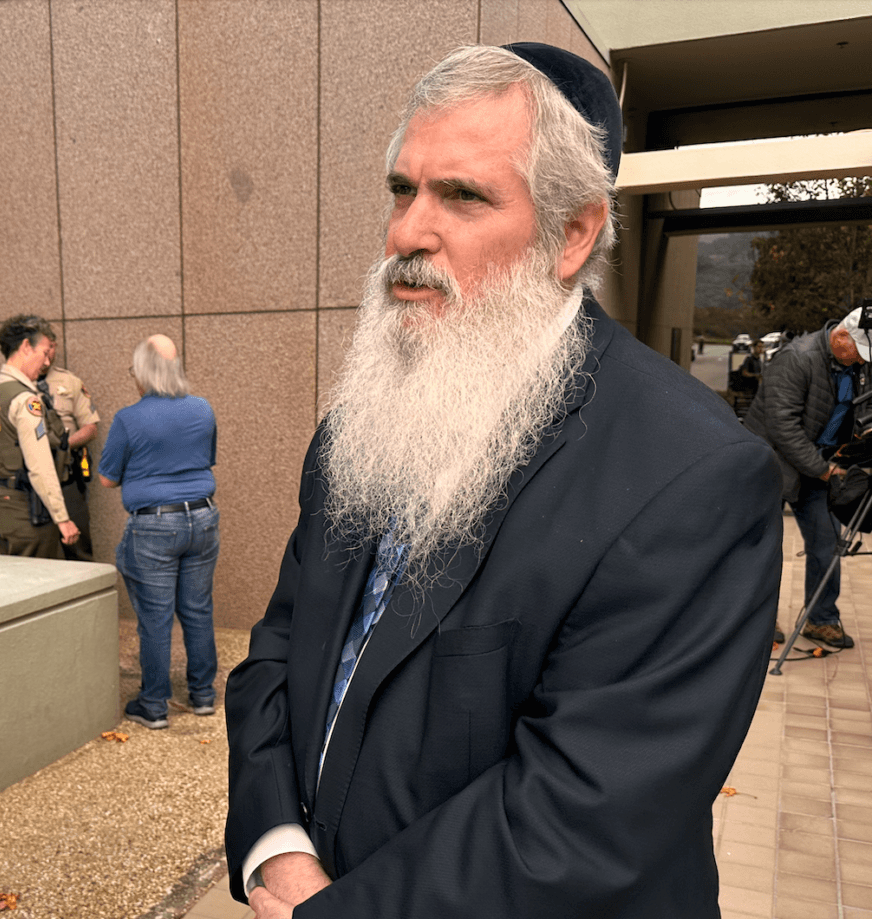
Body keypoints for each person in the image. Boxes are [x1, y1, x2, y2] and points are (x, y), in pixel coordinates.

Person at [224, 43, 782, 919]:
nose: (408, 232)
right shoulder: (359, 429)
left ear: (572, 233)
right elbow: (279, 652)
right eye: (403, 190)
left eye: (463, 196)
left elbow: (583, 819)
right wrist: (275, 848)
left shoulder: (694, 477)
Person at [99, 334, 220, 730]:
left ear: (144, 372)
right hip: (202, 519)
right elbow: (205, 459)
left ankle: (154, 704)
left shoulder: (128, 419)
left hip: (153, 525)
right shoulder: (203, 409)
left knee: (155, 618)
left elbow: (106, 479)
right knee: (197, 610)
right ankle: (203, 695)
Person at [744, 307, 869, 650]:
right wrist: (824, 469)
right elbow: (783, 427)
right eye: (859, 352)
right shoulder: (797, 358)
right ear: (841, 336)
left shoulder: (854, 365)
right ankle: (756, 625)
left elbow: (851, 410)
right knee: (763, 549)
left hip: (818, 464)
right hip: (774, 464)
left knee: (827, 543)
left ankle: (821, 619)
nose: (861, 361)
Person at [0, 315, 80, 558]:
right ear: (26, 347)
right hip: (26, 508)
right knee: (41, 584)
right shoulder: (26, 400)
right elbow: (40, 465)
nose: (47, 361)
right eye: (45, 352)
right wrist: (62, 518)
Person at [38, 364, 100, 562]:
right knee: (39, 554)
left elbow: (90, 428)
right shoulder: (15, 387)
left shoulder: (69, 382)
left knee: (78, 549)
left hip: (68, 476)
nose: (47, 358)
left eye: (51, 348)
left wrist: (61, 447)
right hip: (33, 480)